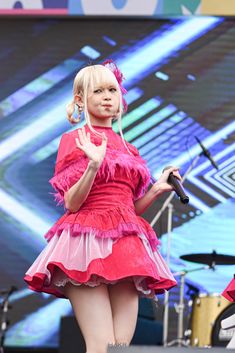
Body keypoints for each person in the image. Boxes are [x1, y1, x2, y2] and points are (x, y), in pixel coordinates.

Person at [24, 60, 180, 353]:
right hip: (86, 244)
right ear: (82, 99)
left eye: (113, 90)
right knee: (99, 346)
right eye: (99, 91)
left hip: (127, 247)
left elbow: (128, 211)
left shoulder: (129, 149)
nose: (108, 96)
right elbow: (72, 202)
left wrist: (157, 188)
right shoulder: (75, 139)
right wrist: (93, 165)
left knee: (118, 347)